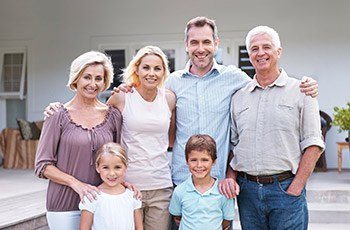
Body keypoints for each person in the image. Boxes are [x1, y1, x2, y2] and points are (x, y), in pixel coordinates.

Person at [115, 17, 319, 191]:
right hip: (181, 180)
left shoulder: (234, 78)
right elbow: (146, 100)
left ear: (216, 43)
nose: (200, 49)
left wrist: (305, 85)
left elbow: (265, 86)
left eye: (206, 42)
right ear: (186, 45)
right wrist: (127, 88)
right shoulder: (171, 83)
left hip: (219, 183)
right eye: (194, 42)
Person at [228, 26, 325, 229]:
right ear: (249, 54)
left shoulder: (302, 91)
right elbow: (233, 144)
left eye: (267, 47)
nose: (260, 53)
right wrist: (231, 178)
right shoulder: (238, 97)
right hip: (248, 193)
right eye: (254, 48)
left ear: (278, 51)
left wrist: (297, 185)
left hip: (285, 189)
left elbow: (314, 143)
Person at [35, 51, 123, 229]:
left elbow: (119, 159)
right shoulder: (57, 115)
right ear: (76, 79)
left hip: (102, 203)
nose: (93, 84)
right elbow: (42, 166)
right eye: (87, 77)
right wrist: (76, 184)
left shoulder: (113, 116)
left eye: (98, 78)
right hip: (64, 205)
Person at [106, 45, 176, 230]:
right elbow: (103, 130)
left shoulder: (169, 99)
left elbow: (171, 138)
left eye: (157, 68)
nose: (151, 73)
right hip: (128, 185)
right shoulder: (122, 96)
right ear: (136, 69)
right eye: (146, 67)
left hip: (160, 185)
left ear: (164, 72)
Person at [169, 134, 234, 230]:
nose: (199, 165)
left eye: (205, 160)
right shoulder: (180, 191)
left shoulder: (223, 192)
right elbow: (177, 216)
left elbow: (226, 221)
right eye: (193, 160)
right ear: (187, 161)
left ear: (214, 161)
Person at [79, 142, 143, 230]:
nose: (112, 173)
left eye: (117, 167)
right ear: (97, 167)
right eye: (105, 167)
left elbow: (139, 228)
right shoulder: (92, 197)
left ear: (126, 167)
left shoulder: (133, 196)